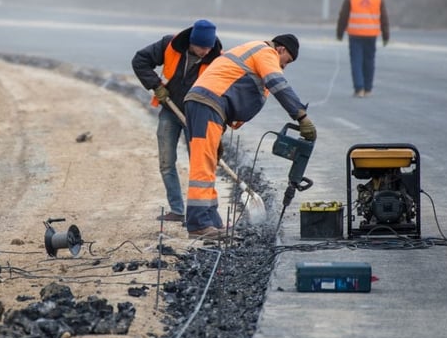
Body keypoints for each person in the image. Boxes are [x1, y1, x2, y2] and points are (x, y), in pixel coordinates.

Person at [183, 34, 316, 239]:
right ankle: (198, 224)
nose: (283, 67)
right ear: (280, 50)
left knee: (208, 162)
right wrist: (301, 115)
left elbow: (229, 88)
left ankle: (211, 222)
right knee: (203, 164)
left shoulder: (253, 53)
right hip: (207, 105)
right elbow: (277, 83)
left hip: (207, 106)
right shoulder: (265, 52)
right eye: (286, 61)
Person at [132, 19, 222, 224]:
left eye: (208, 47)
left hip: (197, 116)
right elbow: (140, 60)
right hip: (170, 110)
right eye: (201, 47)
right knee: (166, 162)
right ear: (191, 42)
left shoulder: (217, 59)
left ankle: (200, 213)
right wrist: (156, 85)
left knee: (200, 166)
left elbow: (224, 94)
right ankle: (177, 209)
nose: (205, 51)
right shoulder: (169, 45)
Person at [336, 0, 390, 97]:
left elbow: (343, 16)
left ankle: (359, 89)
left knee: (356, 61)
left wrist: (339, 34)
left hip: (355, 35)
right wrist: (386, 37)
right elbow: (384, 19)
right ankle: (368, 89)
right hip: (371, 35)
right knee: (369, 62)